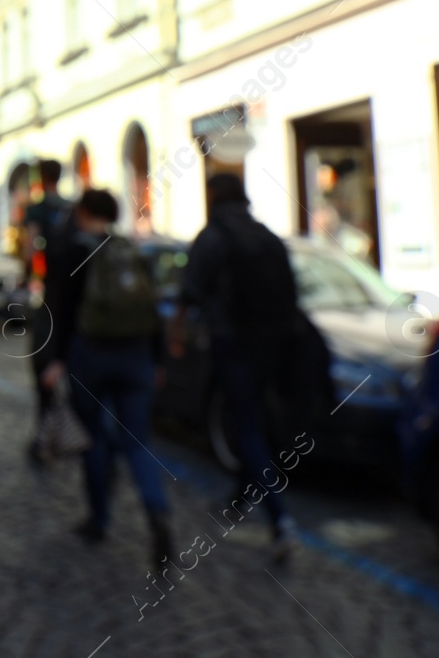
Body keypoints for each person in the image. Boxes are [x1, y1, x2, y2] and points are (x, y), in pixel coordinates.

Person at [174, 172, 302, 564]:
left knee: (246, 428)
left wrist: (176, 335)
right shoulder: (266, 236)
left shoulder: (212, 237)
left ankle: (280, 520)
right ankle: (240, 498)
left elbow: (189, 291)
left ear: (213, 196)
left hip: (232, 343)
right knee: (253, 421)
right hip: (273, 346)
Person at [42, 188, 172, 568]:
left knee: (93, 437)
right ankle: (157, 510)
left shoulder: (72, 250)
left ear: (83, 213)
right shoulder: (131, 250)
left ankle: (99, 519)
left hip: (90, 356)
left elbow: (59, 310)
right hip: (135, 356)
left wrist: (54, 360)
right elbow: (152, 307)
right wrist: (157, 359)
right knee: (137, 441)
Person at [20, 158, 73, 463]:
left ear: (41, 178)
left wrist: (27, 276)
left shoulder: (37, 209)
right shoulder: (71, 206)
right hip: (73, 297)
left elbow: (30, 247)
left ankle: (44, 437)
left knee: (42, 363)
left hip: (49, 296)